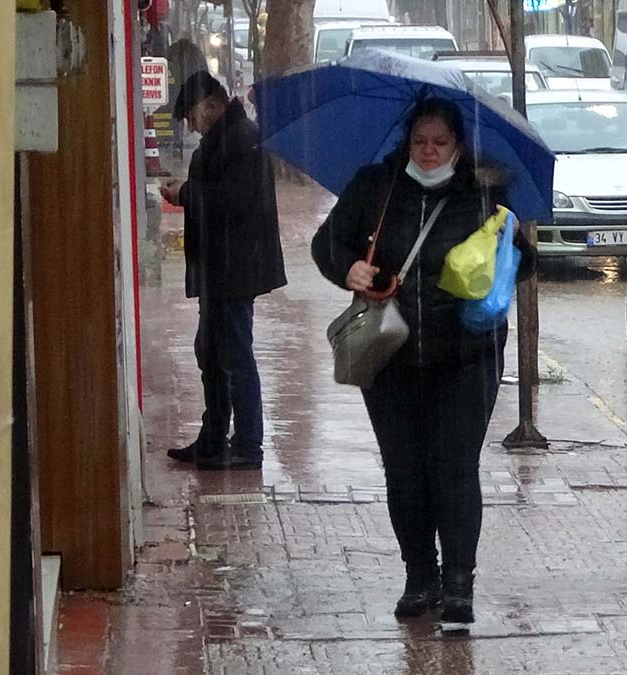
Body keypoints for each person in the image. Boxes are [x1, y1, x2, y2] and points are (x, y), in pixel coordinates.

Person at [312, 98, 535, 625]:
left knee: (454, 469)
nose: (428, 151)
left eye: (440, 142)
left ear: (458, 146)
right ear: (405, 141)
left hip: (467, 357)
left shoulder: (484, 193)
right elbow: (327, 243)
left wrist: (510, 245)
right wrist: (349, 268)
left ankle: (459, 584)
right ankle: (420, 577)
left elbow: (525, 266)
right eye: (419, 141)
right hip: (390, 355)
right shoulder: (376, 187)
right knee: (405, 472)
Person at [160, 71, 287, 470]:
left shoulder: (242, 138)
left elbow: (235, 200)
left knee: (234, 356)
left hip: (235, 270)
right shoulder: (222, 138)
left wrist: (185, 193)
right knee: (211, 354)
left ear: (212, 106)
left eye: (192, 117)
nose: (192, 126)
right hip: (219, 268)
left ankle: (248, 444)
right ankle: (212, 438)